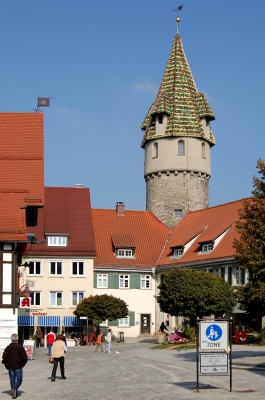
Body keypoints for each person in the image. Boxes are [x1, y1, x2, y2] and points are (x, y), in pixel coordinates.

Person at [2, 333, 28, 399]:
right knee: (19, 379)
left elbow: (4, 358)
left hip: (10, 366)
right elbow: (24, 357)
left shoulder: (8, 348)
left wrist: (5, 363)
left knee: (12, 379)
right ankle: (15, 388)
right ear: (17, 339)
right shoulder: (20, 347)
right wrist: (23, 363)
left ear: (11, 339)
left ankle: (13, 389)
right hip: (18, 366)